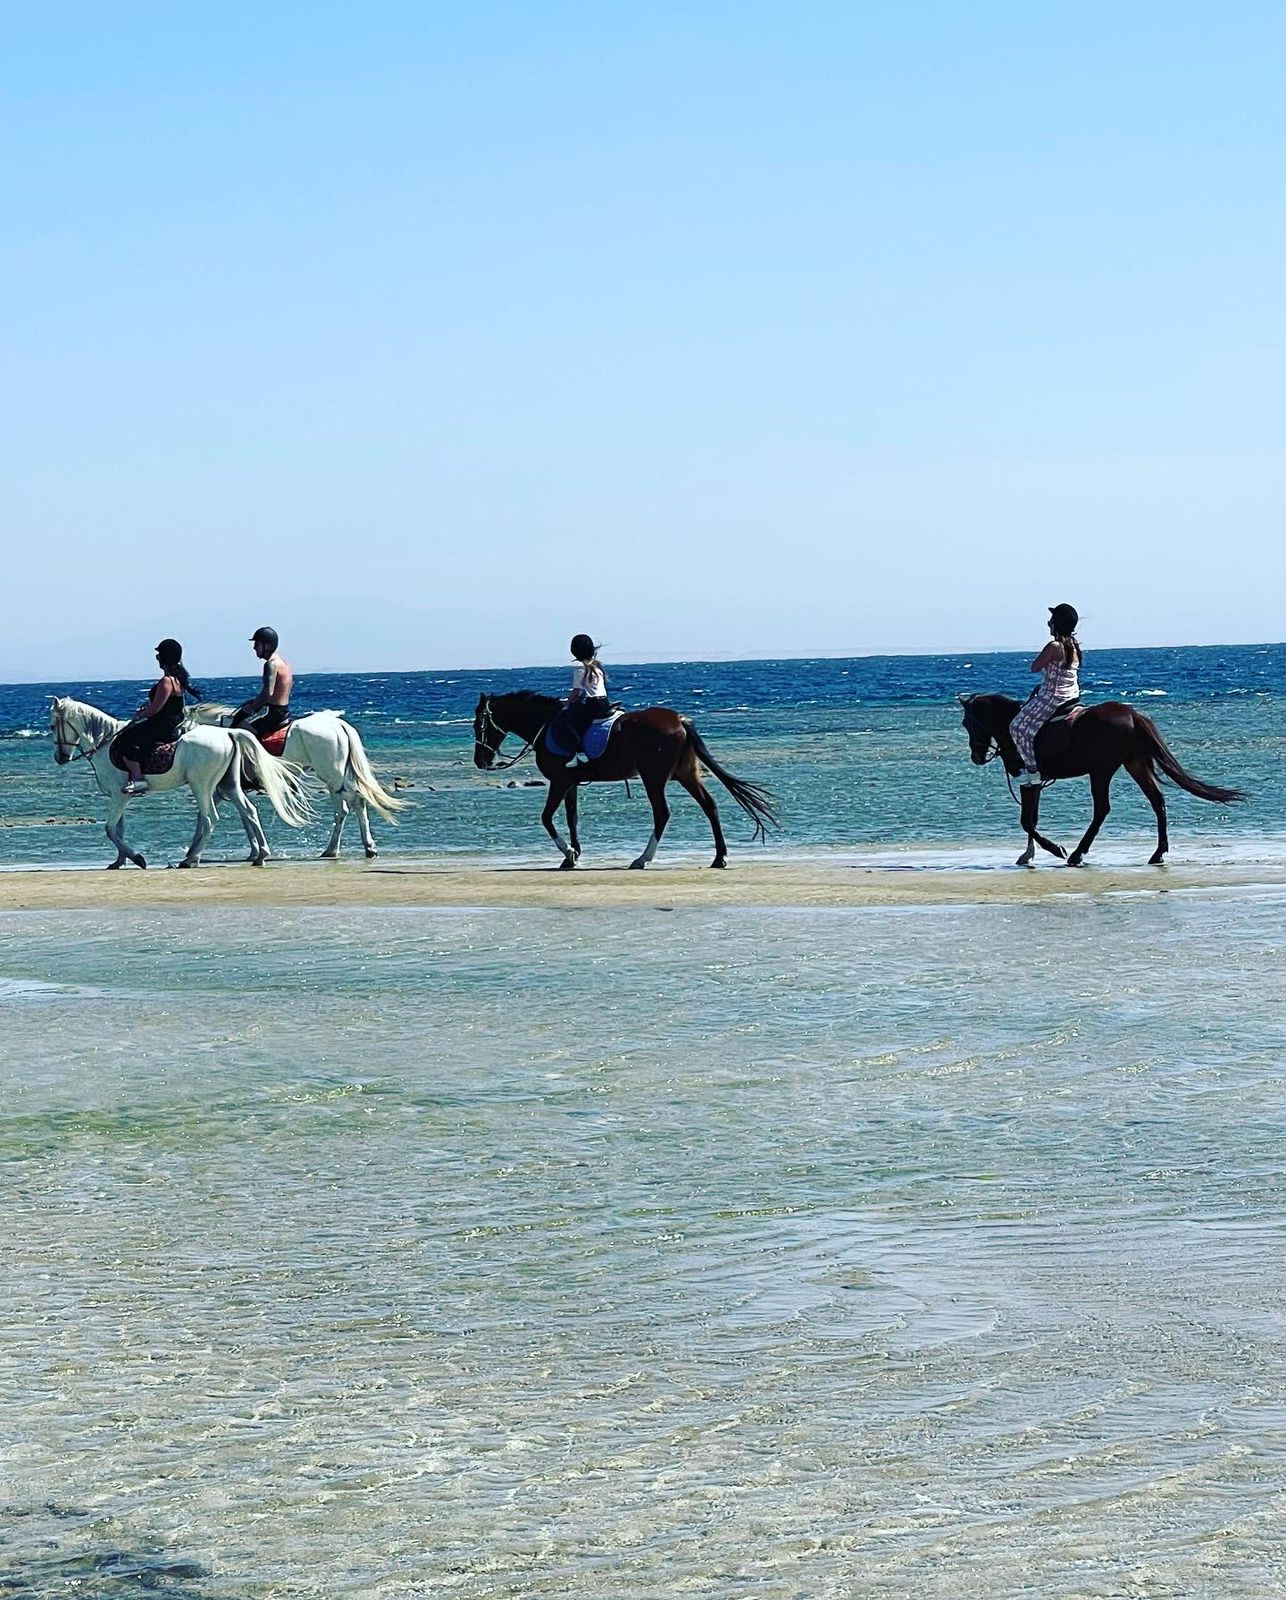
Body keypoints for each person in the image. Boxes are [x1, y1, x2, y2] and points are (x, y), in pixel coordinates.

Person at [111, 639, 201, 795]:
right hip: (171, 724)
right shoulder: (178, 681)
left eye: (159, 655)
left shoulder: (167, 682)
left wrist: (140, 715)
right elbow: (167, 705)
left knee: (123, 740)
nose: (157, 658)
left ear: (164, 657)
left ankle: (138, 779)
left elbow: (155, 710)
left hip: (161, 726)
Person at [1010, 603, 1082, 785]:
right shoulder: (1074, 645)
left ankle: (1032, 770)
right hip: (1072, 694)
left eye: (1051, 621)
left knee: (1017, 727)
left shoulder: (1054, 646)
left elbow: (1034, 667)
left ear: (1057, 624)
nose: (1048, 623)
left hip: (1053, 696)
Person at [557, 633, 610, 766]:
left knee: (567, 720)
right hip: (604, 702)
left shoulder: (580, 669)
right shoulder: (598, 666)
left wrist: (566, 704)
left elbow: (577, 692)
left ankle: (579, 753)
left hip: (592, 704)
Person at [232, 626, 293, 738]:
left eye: (257, 644)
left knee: (238, 728)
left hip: (273, 715)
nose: (254, 647)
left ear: (268, 646)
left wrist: (250, 708)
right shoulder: (283, 661)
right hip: (284, 711)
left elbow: (267, 694)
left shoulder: (271, 664)